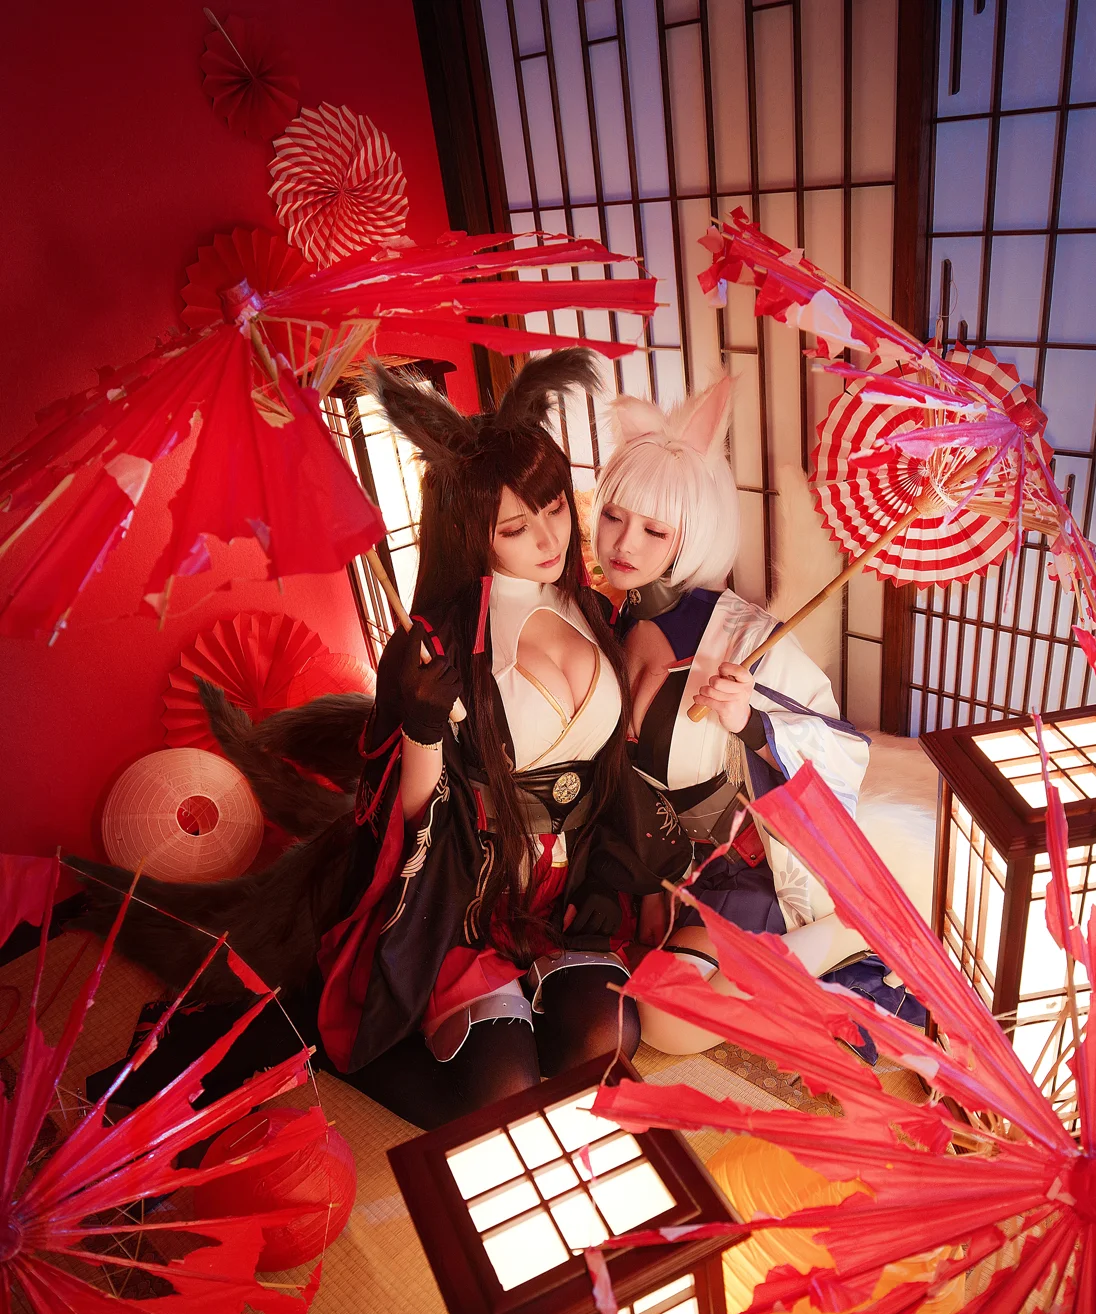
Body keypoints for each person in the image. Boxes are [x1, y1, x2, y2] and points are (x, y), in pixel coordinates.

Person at [75, 350, 691, 1128]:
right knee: (503, 1090)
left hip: (568, 889)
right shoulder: (435, 644)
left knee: (604, 1041)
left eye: (554, 509)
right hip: (466, 891)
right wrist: (425, 726)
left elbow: (613, 758)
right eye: (515, 526)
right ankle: (320, 1035)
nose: (547, 537)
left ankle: (525, 1002)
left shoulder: (594, 610)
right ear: (474, 531)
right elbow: (409, 809)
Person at [589, 380, 871, 1053]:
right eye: (613, 517)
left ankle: (839, 939)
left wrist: (751, 723)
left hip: (739, 874)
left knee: (665, 1023)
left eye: (655, 530)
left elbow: (844, 750)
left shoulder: (747, 639)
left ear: (694, 533)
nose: (625, 544)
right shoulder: (600, 618)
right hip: (644, 869)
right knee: (607, 1006)